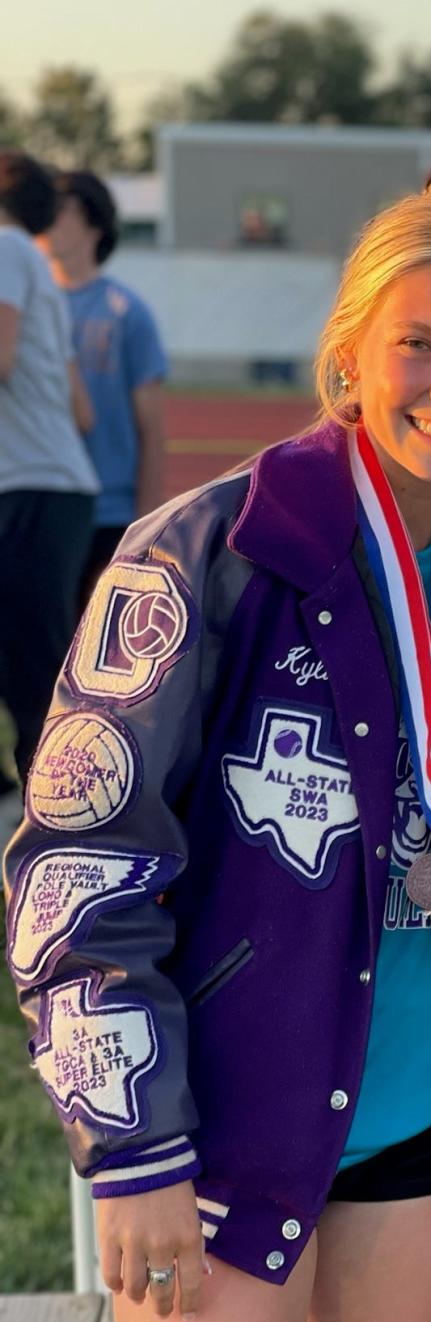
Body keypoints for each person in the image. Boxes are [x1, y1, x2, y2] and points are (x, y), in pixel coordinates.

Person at [3, 185, 431, 1322]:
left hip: (424, 1137)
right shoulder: (211, 550)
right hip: (225, 1143)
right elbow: (74, 859)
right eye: (420, 343)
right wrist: (130, 1155)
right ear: (351, 348)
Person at [0, 150, 97, 839]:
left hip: (29, 485)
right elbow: (81, 409)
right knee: (36, 661)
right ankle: (59, 805)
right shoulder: (35, 263)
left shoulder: (5, 247)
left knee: (34, 667)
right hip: (52, 484)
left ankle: (65, 816)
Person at [37, 169, 168, 602]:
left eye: (61, 208)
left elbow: (151, 430)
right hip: (40, 501)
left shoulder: (127, 313)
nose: (46, 219)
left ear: (94, 222)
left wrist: (147, 528)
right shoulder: (22, 309)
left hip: (108, 512)